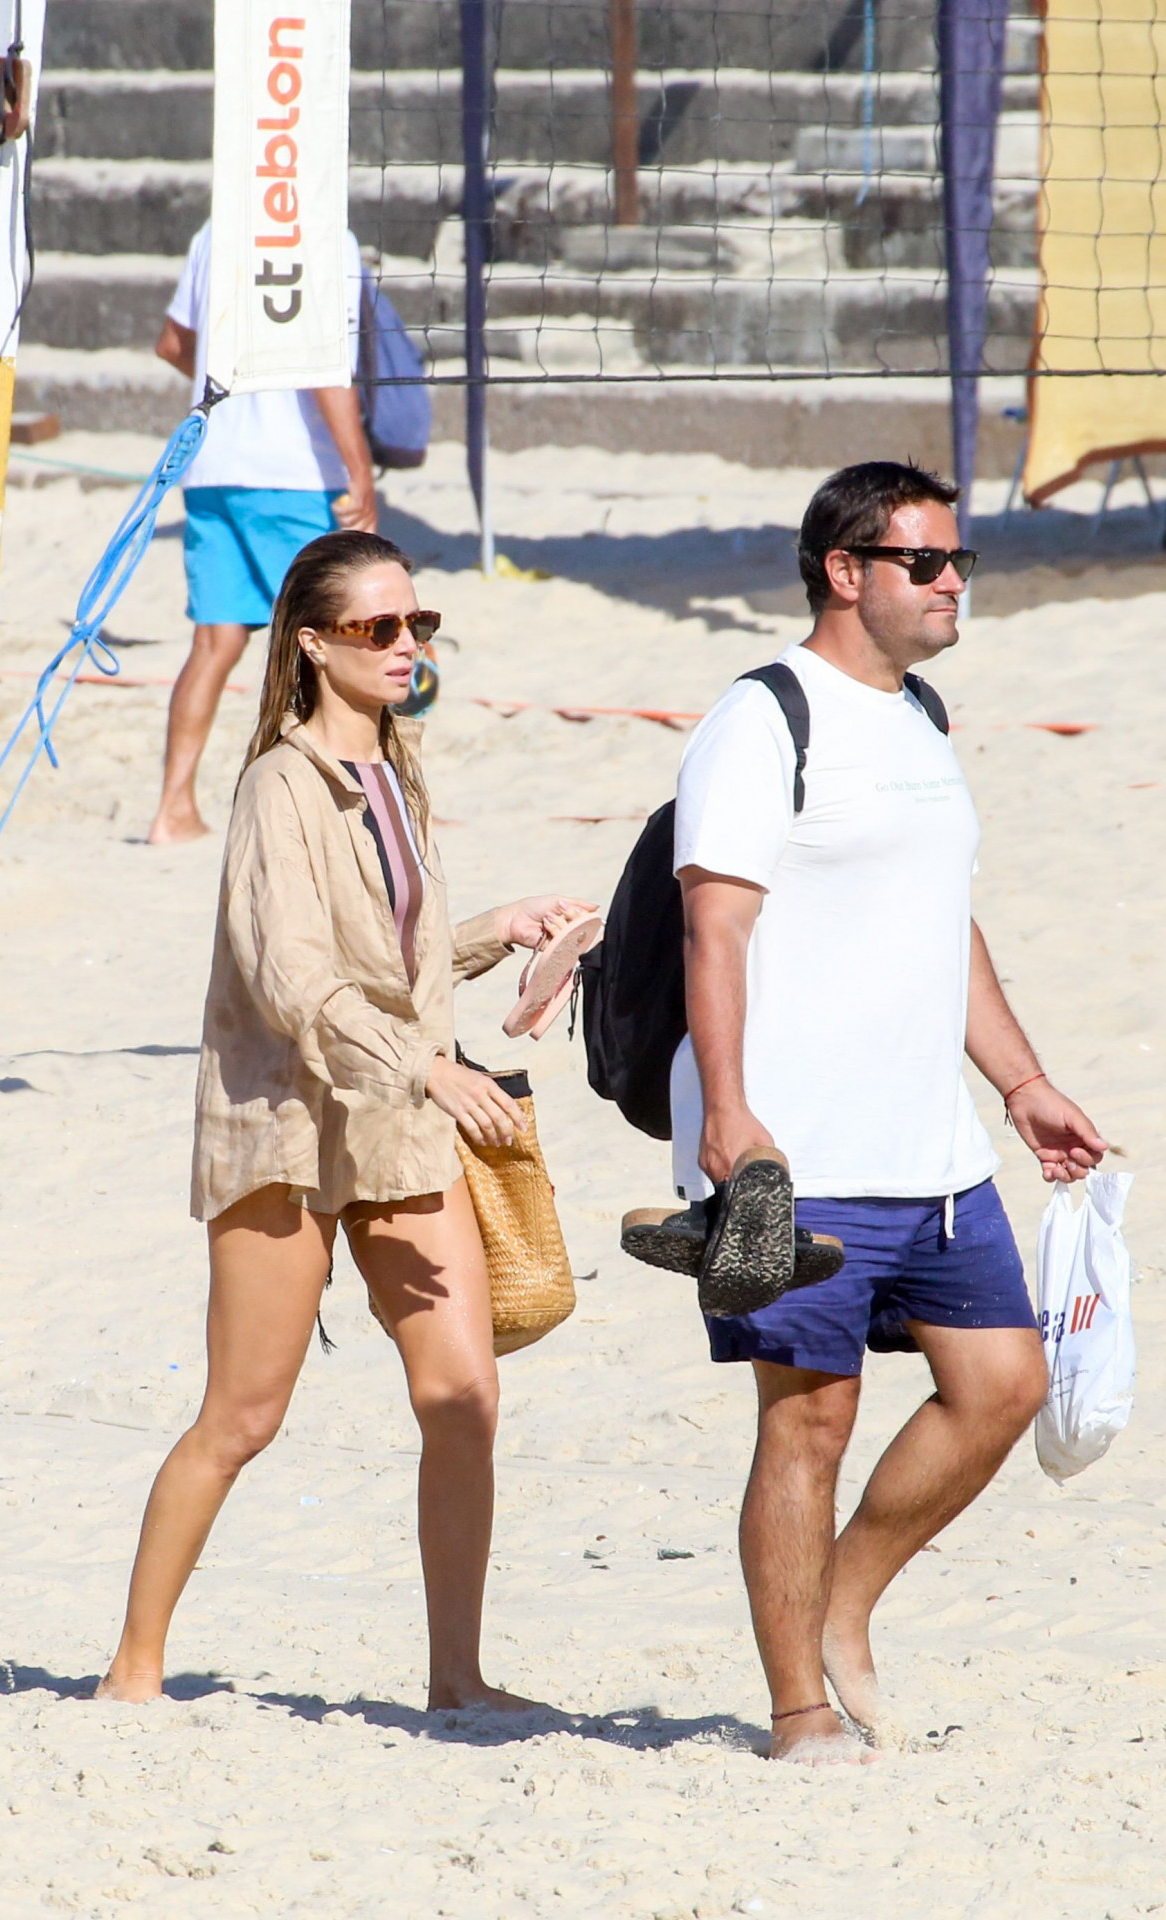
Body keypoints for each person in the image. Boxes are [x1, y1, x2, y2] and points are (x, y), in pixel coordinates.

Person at [98, 529, 593, 1708]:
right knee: (244, 1415)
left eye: (417, 624)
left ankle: (458, 1680)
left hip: (392, 1117)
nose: (406, 645)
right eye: (379, 629)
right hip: (285, 1120)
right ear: (312, 645)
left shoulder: (392, 766)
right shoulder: (279, 781)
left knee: (463, 1396)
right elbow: (292, 976)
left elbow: (392, 959)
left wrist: (498, 929)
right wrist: (426, 1070)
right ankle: (132, 1672)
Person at [664, 462, 1107, 1762]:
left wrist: (1017, 1083)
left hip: (930, 1147)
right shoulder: (758, 721)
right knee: (805, 1418)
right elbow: (714, 925)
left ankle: (843, 1603)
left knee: (1001, 1384)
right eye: (923, 562)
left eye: (956, 560)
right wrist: (729, 1113)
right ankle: (797, 1704)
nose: (951, 581)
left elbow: (938, 921)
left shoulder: (918, 714)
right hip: (792, 1152)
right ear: (843, 572)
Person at [148, 220, 378, 845]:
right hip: (292, 472)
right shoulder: (329, 235)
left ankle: (172, 809)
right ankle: (353, 806)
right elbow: (326, 371)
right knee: (342, 643)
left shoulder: (213, 230)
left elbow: (172, 344)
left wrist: (237, 386)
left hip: (213, 463)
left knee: (215, 645)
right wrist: (361, 474)